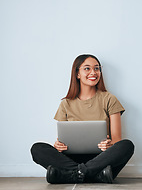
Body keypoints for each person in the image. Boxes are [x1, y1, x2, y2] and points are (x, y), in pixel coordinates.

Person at [31, 54, 134, 184]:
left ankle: (70, 175)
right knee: (37, 148)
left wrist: (109, 144)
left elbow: (117, 140)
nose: (93, 72)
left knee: (126, 145)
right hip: (72, 158)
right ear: (77, 74)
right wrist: (59, 146)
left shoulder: (109, 99)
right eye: (87, 68)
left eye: (97, 68)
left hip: (101, 158)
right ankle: (93, 175)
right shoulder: (65, 104)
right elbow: (63, 138)